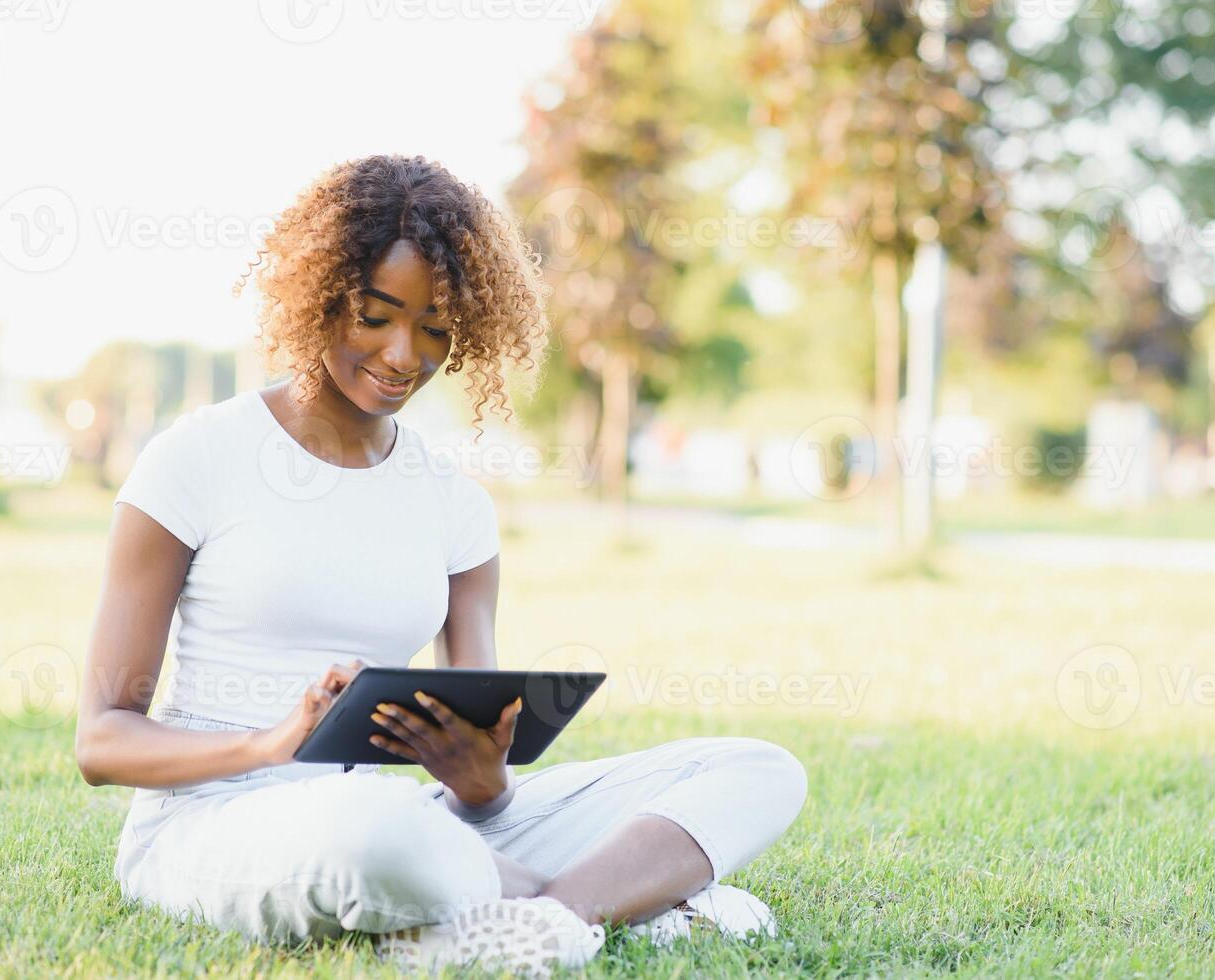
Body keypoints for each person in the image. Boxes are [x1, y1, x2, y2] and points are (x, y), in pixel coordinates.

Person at [74, 154, 807, 976]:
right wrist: (270, 744)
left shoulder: (454, 503)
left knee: (757, 771)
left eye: (434, 328)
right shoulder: (194, 460)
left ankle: (546, 918)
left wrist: (484, 783)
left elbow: (476, 780)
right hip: (222, 819)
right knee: (378, 835)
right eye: (374, 316)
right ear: (320, 296)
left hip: (419, 818)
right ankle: (628, 904)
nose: (401, 355)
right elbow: (102, 742)